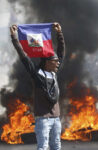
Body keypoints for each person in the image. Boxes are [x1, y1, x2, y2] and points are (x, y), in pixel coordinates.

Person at [10, 22, 65, 150]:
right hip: (43, 120)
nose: (58, 63)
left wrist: (59, 33)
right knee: (43, 147)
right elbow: (23, 56)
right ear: (47, 63)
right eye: (55, 61)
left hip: (56, 119)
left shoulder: (54, 74)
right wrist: (14, 37)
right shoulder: (37, 74)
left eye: (58, 61)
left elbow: (61, 53)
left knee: (56, 146)